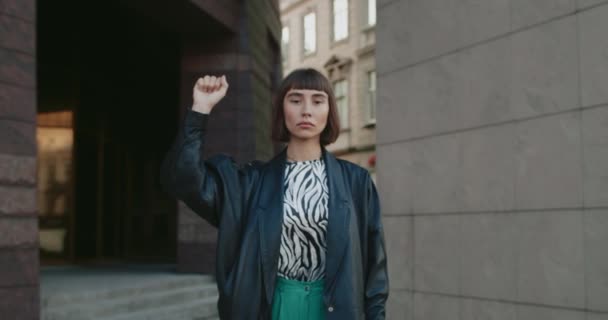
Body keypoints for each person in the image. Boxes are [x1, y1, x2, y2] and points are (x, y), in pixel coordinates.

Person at [160, 68, 388, 320]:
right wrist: (199, 111)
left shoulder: (356, 182)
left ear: (329, 111)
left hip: (339, 308)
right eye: (295, 100)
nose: (307, 110)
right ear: (282, 109)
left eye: (318, 100)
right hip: (273, 307)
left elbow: (374, 267)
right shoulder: (251, 184)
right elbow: (183, 178)